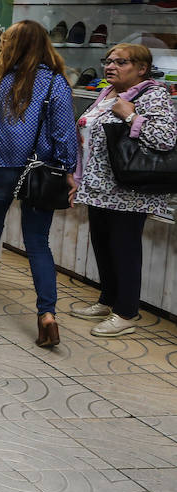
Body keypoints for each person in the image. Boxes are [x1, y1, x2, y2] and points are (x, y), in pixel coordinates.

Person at [0, 19, 78, 349]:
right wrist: (68, 170)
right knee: (38, 243)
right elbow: (64, 133)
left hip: (0, 166)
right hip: (41, 170)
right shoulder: (55, 83)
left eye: (5, 42)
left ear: (14, 46)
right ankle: (47, 315)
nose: (1, 47)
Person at [72, 43, 176, 337]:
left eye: (121, 62)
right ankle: (107, 300)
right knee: (102, 244)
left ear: (142, 68)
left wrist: (131, 116)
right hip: (99, 186)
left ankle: (126, 312)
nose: (110, 66)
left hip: (129, 189)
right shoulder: (108, 92)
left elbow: (164, 138)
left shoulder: (153, 94)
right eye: (108, 61)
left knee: (124, 248)